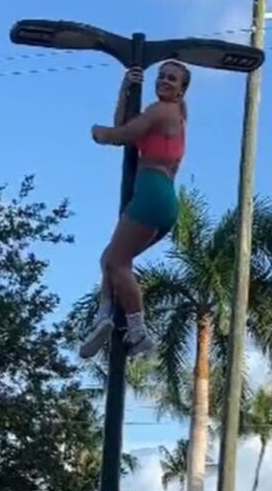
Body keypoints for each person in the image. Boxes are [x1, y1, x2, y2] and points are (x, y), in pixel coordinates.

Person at [78, 61, 190, 359]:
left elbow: (121, 134)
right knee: (111, 258)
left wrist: (98, 132)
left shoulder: (161, 110)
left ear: (182, 90)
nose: (164, 81)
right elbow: (127, 125)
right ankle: (104, 316)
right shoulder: (175, 117)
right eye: (162, 76)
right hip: (163, 201)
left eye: (172, 78)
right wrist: (126, 88)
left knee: (118, 264)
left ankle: (138, 332)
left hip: (151, 194)